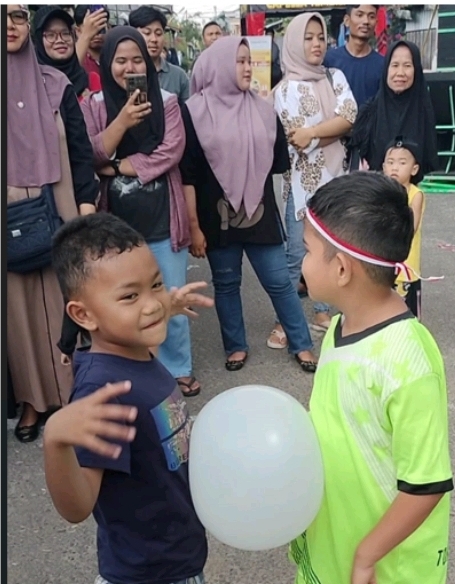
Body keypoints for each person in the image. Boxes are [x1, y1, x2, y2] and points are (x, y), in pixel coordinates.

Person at [291, 171, 452, 584]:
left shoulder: (408, 359)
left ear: (342, 269)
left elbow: (426, 484)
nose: (301, 260)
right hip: (334, 520)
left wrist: (369, 551)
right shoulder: (339, 327)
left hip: (389, 546)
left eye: (308, 250)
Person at [44, 212, 213, 584]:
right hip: (149, 566)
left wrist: (164, 307)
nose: (150, 305)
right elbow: (77, 505)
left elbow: (143, 310)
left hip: (164, 547)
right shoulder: (105, 392)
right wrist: (56, 439)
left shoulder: (128, 351)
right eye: (129, 296)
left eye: (155, 285)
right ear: (84, 315)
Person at [181, 36, 317, 373]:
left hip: (260, 213)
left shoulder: (263, 109)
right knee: (227, 284)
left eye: (249, 61)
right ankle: (235, 346)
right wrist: (194, 227)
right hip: (216, 218)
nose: (247, 68)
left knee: (279, 281)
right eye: (239, 61)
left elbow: (279, 162)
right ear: (219, 67)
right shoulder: (194, 112)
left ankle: (301, 344)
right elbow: (188, 174)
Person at [81, 27, 201, 398]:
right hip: (116, 225)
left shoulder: (167, 102)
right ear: (107, 64)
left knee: (170, 296)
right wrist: (121, 122)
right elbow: (90, 153)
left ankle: (178, 368)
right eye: (121, 61)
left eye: (137, 60)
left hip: (164, 218)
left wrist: (117, 167)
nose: (130, 68)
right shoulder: (94, 105)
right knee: (128, 301)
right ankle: (141, 369)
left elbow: (170, 152)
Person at [7, 4, 98, 443]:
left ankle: (72, 394)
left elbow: (80, 150)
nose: (9, 25)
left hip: (59, 208)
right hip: (9, 217)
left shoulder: (55, 84)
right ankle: (33, 400)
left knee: (68, 304)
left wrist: (85, 208)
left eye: (17, 16)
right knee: (18, 312)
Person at [271, 12, 356, 343]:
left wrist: (315, 132)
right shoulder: (284, 90)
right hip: (302, 186)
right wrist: (329, 130)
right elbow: (297, 139)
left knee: (332, 250)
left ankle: (322, 310)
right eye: (308, 38)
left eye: (321, 37)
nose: (316, 44)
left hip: (336, 181)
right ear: (294, 42)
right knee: (296, 254)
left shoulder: (335, 76)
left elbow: (349, 116)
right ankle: (285, 321)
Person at [349, 40, 438, 179]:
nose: (400, 73)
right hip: (377, 188)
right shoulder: (369, 112)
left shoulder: (424, 112)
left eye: (407, 65)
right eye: (395, 65)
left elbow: (428, 160)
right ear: (386, 69)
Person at [382, 137, 424, 318]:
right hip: (384, 262)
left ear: (414, 169)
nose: (395, 168)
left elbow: (410, 228)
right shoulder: (381, 193)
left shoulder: (415, 194)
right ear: (383, 167)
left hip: (406, 264)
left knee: (408, 314)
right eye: (390, 162)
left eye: (402, 163)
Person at [324, 5, 383, 108]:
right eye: (360, 15)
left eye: (371, 17)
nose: (366, 21)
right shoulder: (329, 60)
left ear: (376, 23)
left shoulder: (383, 65)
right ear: (347, 20)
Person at [129, 7, 189, 104]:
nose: (154, 39)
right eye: (147, 33)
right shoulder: (126, 73)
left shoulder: (179, 76)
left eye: (158, 33)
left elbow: (188, 110)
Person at [33, 4, 89, 99]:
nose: (60, 40)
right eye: (51, 35)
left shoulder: (90, 80)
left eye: (65, 33)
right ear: (39, 40)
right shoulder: (31, 84)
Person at [74, 4, 109, 85]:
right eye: (92, 28)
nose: (97, 34)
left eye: (101, 28)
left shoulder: (114, 55)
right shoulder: (76, 58)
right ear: (78, 31)